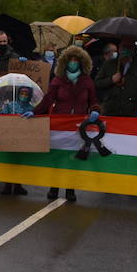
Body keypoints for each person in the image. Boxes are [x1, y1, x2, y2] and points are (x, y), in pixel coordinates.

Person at [34, 44, 96, 201]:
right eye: (70, 60)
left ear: (82, 62)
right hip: (59, 125)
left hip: (78, 127)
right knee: (57, 158)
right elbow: (48, 99)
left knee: (73, 159)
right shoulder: (58, 80)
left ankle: (70, 190)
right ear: (65, 62)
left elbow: (93, 101)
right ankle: (54, 188)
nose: (73, 62)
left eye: (76, 60)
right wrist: (34, 112)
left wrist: (95, 110)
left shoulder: (87, 81)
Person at [94, 39, 137, 117]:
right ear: (119, 48)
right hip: (110, 109)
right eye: (124, 47)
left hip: (130, 111)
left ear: (133, 49)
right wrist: (111, 80)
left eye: (129, 47)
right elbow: (97, 83)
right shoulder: (108, 64)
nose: (126, 49)